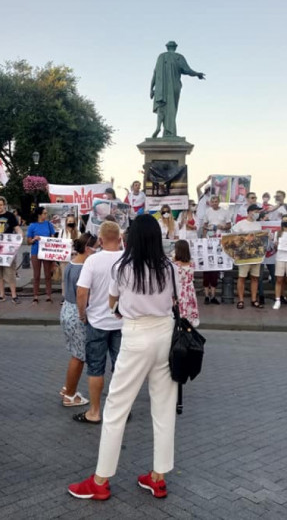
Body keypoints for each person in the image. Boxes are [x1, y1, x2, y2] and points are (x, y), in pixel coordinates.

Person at [68, 214, 179, 500]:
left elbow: (112, 301)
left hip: (136, 335)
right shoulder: (170, 267)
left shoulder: (125, 268)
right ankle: (158, 476)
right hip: (165, 335)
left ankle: (101, 479)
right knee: (164, 409)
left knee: (116, 407)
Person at [73, 221, 123, 425]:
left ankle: (94, 411)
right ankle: (120, 410)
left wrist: (82, 313)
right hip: (121, 322)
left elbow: (81, 291)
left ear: (100, 240)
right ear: (120, 239)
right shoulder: (128, 259)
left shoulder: (92, 261)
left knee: (96, 367)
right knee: (121, 368)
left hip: (97, 321)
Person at [60, 233, 99, 407]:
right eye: (96, 247)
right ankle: (70, 395)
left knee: (75, 353)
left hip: (66, 309)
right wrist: (83, 314)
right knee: (79, 356)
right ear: (88, 248)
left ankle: (68, 387)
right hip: (76, 312)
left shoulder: (72, 263)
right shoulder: (84, 267)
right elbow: (83, 294)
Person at [150, 40, 205, 138]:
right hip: (174, 86)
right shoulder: (179, 57)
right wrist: (197, 74)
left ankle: (160, 128)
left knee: (162, 107)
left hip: (161, 87)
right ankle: (170, 132)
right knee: (172, 108)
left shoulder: (161, 57)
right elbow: (187, 70)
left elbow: (155, 73)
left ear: (167, 47)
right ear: (175, 47)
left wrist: (151, 88)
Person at [0, 196, 23, 303]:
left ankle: (14, 295)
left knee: (10, 273)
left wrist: (20, 236)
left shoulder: (10, 216)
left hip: (7, 249)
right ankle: (2, 295)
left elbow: (17, 228)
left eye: (1, 205)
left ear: (4, 205)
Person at [231, 204, 263, 309]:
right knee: (242, 277)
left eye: (258, 212)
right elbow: (234, 237)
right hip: (244, 255)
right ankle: (241, 300)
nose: (257, 214)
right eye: (256, 211)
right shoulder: (240, 224)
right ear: (249, 212)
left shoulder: (258, 225)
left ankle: (254, 299)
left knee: (255, 277)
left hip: (255, 255)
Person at [201, 195, 231, 305]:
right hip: (208, 241)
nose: (214, 202)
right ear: (210, 202)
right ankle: (206, 295)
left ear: (219, 201)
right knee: (206, 268)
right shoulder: (207, 212)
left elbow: (229, 225)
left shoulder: (225, 212)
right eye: (212, 201)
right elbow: (204, 226)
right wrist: (204, 238)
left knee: (215, 269)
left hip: (219, 241)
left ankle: (213, 295)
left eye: (216, 201)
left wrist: (222, 227)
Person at [27, 206, 56, 304]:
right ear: (39, 214)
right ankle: (35, 296)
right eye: (44, 213)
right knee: (36, 275)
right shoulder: (32, 225)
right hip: (35, 252)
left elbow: (53, 238)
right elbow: (28, 241)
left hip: (46, 252)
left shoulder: (49, 224)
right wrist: (34, 239)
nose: (46, 215)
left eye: (46, 213)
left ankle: (48, 295)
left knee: (48, 275)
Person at [173, 240, 199, 327]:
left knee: (179, 311)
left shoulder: (175, 265)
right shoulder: (192, 264)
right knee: (189, 309)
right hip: (190, 290)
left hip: (179, 289)